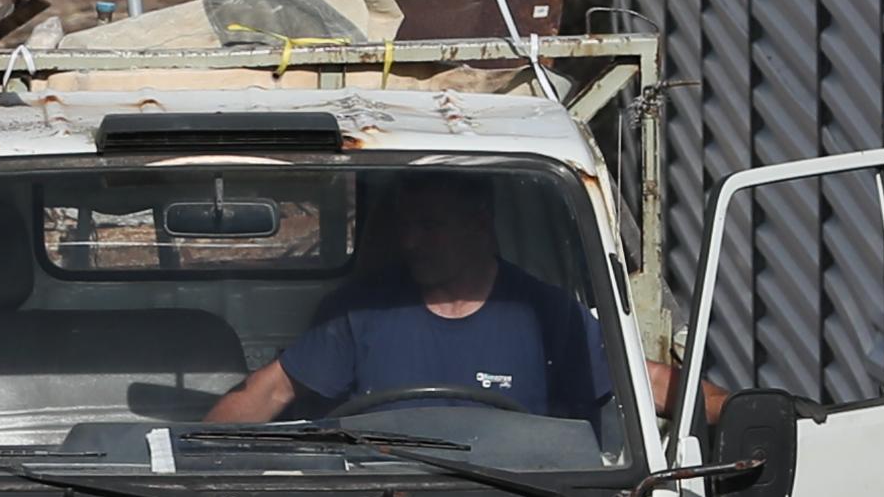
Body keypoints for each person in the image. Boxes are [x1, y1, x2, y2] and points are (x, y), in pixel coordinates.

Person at [201, 171, 621, 427]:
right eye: (404, 225)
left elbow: (637, 380)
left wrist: (687, 394)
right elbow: (271, 392)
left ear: (478, 224)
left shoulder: (545, 312)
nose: (409, 241)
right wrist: (187, 460)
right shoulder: (361, 310)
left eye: (428, 225)